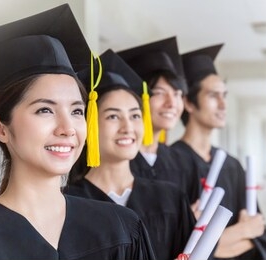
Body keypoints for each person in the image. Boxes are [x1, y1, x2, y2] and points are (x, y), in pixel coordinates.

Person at [0, 4, 155, 259]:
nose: (67, 129)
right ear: (0, 128)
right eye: (45, 110)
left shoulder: (122, 228)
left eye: (77, 111)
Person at [64, 50, 195, 260]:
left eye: (135, 115)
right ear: (89, 123)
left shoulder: (170, 198)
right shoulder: (66, 203)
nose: (128, 127)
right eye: (113, 116)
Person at [171, 44, 266, 260]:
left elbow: (259, 237)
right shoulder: (169, 164)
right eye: (213, 96)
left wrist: (213, 245)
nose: (223, 104)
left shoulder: (231, 165)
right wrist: (242, 232)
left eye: (224, 95)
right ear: (188, 102)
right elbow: (177, 248)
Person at [117, 37, 201, 207]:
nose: (171, 103)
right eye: (160, 92)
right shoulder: (118, 159)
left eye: (177, 94)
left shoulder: (184, 162)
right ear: (138, 98)